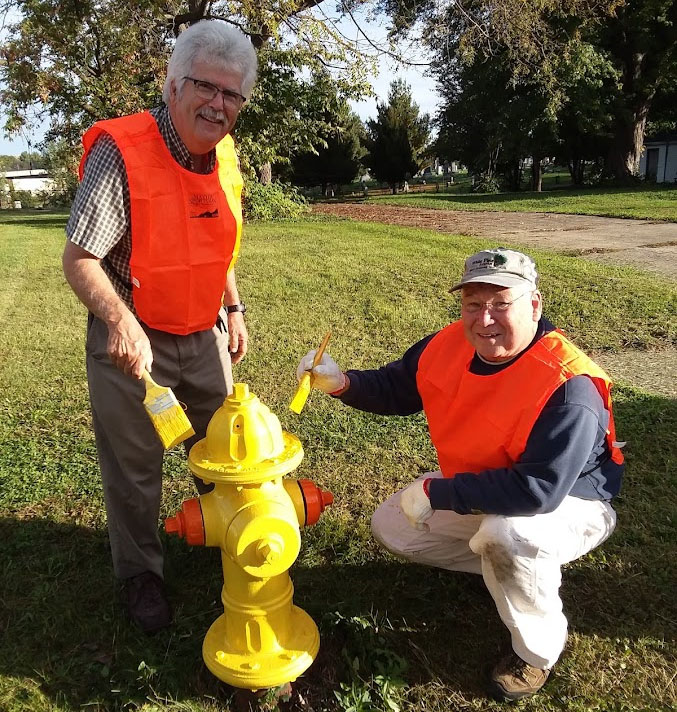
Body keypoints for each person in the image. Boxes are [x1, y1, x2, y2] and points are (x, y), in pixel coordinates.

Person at [296, 247, 624, 702]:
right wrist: (343, 383)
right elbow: (397, 387)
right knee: (395, 527)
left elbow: (538, 491)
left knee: (507, 535)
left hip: (573, 501)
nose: (484, 318)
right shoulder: (447, 344)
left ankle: (537, 651)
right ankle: (509, 574)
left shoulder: (568, 386)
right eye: (473, 304)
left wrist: (439, 490)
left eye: (501, 303)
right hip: (495, 484)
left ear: (535, 304)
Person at [62, 20, 257, 634]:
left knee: (224, 447)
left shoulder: (223, 153)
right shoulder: (123, 151)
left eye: (232, 95)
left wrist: (233, 307)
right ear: (173, 84)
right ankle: (141, 574)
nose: (218, 105)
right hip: (132, 340)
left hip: (203, 333)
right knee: (135, 468)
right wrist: (118, 319)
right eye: (206, 86)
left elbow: (216, 242)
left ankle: (229, 533)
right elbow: (80, 257)